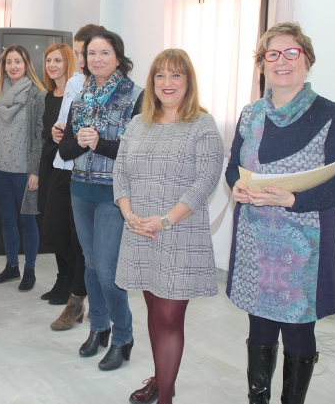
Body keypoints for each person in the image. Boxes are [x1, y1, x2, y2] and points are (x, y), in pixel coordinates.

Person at [225, 22, 335, 403]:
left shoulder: (329, 114)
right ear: (263, 63)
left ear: (307, 61)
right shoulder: (251, 114)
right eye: (273, 54)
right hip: (255, 239)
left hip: (304, 248)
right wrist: (236, 184)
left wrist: (293, 200)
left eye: (291, 53)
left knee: (299, 330)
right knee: (259, 325)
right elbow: (233, 166)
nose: (282, 61)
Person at [114, 49, 224, 403]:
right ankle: (164, 381)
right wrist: (128, 214)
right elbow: (120, 172)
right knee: (153, 313)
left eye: (176, 74)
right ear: (152, 82)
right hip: (140, 231)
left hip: (179, 234)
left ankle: (165, 399)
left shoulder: (202, 124)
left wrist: (165, 220)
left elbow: (206, 180)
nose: (167, 82)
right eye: (160, 75)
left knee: (169, 318)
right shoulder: (138, 124)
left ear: (188, 81)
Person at [58, 29, 142, 371]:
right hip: (80, 190)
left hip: (114, 194)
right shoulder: (80, 98)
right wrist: (79, 142)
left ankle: (123, 336)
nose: (97, 59)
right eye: (91, 53)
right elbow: (65, 151)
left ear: (118, 57)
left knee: (107, 270)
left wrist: (99, 144)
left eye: (104, 53)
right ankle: (99, 328)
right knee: (91, 266)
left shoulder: (135, 96)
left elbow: (136, 152)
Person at [42, 24, 104, 332]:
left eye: (86, 53)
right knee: (53, 233)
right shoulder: (74, 82)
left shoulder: (110, 87)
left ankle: (77, 299)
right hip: (62, 163)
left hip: (88, 171)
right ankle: (90, 282)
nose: (81, 60)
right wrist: (58, 131)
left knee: (80, 242)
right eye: (78, 53)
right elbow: (62, 121)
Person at [0, 45, 46, 291]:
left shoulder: (37, 95)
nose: (13, 66)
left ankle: (29, 271)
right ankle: (12, 267)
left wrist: (35, 170)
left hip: (23, 171)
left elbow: (40, 136)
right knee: (7, 220)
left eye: (17, 61)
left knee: (27, 221)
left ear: (26, 64)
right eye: (8, 62)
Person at [38, 43, 77, 308]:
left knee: (61, 230)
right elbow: (45, 133)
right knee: (51, 228)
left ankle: (73, 282)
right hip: (49, 164)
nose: (52, 65)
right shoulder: (49, 96)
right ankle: (62, 279)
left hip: (67, 168)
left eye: (58, 60)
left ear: (68, 63)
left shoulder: (76, 95)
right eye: (49, 60)